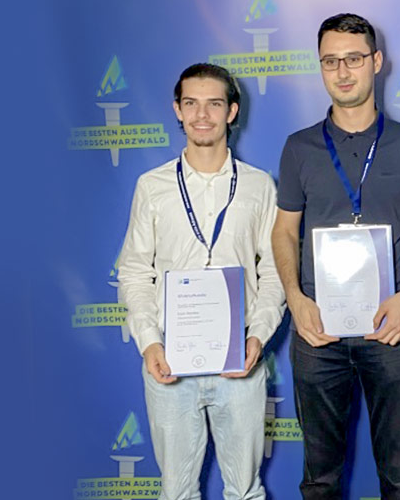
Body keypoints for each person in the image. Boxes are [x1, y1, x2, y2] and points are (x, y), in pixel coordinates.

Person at [271, 13, 400, 499]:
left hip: (393, 330)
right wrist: (295, 298)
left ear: (376, 62)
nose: (342, 71)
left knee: (399, 480)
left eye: (353, 59)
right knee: (319, 480)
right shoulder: (299, 147)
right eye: (330, 61)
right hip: (318, 330)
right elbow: (284, 232)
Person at [118, 63, 285, 500]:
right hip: (170, 363)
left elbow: (275, 271)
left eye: (214, 104)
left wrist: (258, 336)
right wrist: (150, 343)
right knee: (176, 493)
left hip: (240, 362)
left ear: (232, 111)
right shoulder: (152, 186)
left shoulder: (259, 186)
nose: (202, 115)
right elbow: (134, 271)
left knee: (244, 491)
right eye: (191, 104)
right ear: (177, 109)